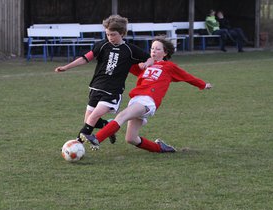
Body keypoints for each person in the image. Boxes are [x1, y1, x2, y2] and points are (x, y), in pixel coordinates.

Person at [80, 37, 212, 153]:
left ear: (165, 53)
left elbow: (186, 77)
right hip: (136, 100)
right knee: (131, 139)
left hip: (148, 100)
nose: (154, 51)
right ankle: (161, 148)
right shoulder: (145, 67)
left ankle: (97, 138)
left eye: (158, 49)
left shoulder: (168, 67)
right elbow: (124, 63)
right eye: (152, 48)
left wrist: (202, 84)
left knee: (122, 116)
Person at [55, 15, 153, 143]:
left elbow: (149, 58)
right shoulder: (102, 45)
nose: (110, 38)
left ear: (122, 33)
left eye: (113, 34)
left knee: (94, 116)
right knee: (89, 120)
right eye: (108, 34)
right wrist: (66, 67)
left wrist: (147, 63)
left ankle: (77, 144)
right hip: (96, 87)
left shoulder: (130, 50)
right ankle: (108, 126)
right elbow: (85, 58)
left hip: (112, 91)